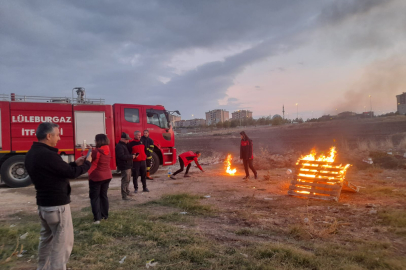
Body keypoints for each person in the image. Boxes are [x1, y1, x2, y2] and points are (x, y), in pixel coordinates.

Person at [25, 122, 92, 270]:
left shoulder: (33, 153)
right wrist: (87, 164)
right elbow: (71, 173)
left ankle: (42, 267)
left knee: (46, 241)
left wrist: (75, 163)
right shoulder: (48, 155)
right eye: (57, 134)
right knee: (62, 245)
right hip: (57, 207)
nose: (59, 138)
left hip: (44, 206)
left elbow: (59, 171)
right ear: (49, 136)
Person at [87, 134, 113, 224]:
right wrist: (92, 149)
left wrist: (85, 150)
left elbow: (87, 160)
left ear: (98, 141)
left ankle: (97, 219)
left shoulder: (96, 151)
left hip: (96, 177)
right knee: (104, 196)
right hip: (107, 176)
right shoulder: (108, 150)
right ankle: (105, 215)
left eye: (95, 140)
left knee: (94, 198)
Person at [115, 132, 136, 200]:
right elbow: (121, 156)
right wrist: (131, 156)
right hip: (124, 166)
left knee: (128, 180)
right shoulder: (119, 146)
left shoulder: (124, 145)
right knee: (125, 181)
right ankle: (124, 196)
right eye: (127, 139)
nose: (128, 141)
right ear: (123, 139)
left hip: (128, 165)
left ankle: (127, 192)